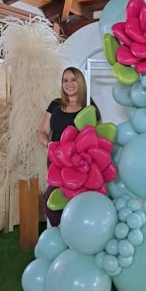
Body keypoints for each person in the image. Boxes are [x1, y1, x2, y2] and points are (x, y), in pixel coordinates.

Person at [37, 66, 101, 226]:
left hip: (79, 162)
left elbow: (95, 136)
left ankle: (77, 231)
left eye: (73, 79)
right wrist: (49, 143)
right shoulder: (55, 105)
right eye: (65, 80)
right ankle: (60, 232)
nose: (69, 84)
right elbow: (42, 131)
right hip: (56, 159)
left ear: (81, 82)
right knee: (51, 200)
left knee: (77, 198)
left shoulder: (88, 106)